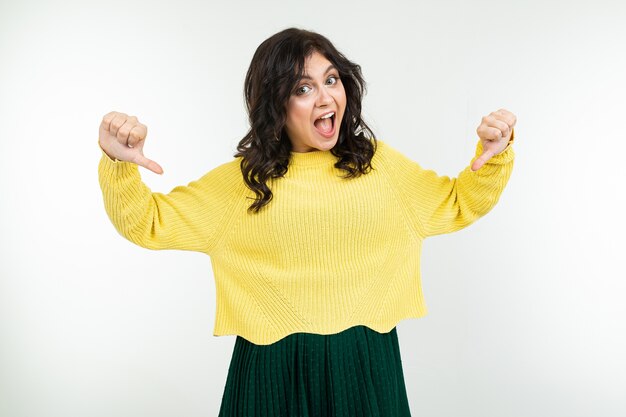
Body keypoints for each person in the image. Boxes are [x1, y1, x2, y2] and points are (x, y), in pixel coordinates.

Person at [97, 27, 516, 417]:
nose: (325, 97)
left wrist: (493, 153)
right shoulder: (242, 183)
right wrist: (118, 162)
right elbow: (147, 222)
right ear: (276, 103)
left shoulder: (379, 168)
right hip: (269, 369)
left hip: (366, 363)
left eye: (331, 80)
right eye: (303, 88)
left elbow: (459, 201)